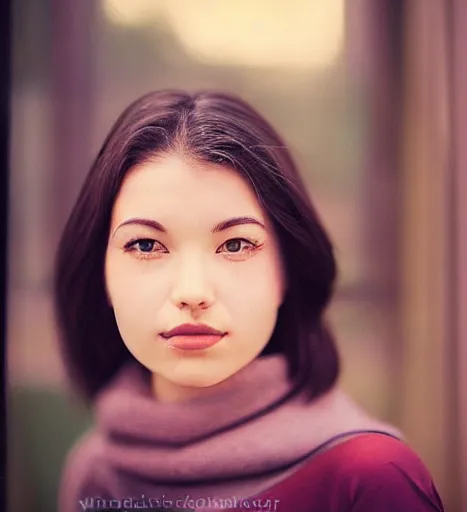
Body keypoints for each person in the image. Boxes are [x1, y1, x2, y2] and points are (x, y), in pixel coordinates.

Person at [55, 89, 444, 512]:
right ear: (102, 274)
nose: (192, 292)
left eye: (236, 244)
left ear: (286, 271)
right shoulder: (93, 472)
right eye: (147, 245)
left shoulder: (370, 478)